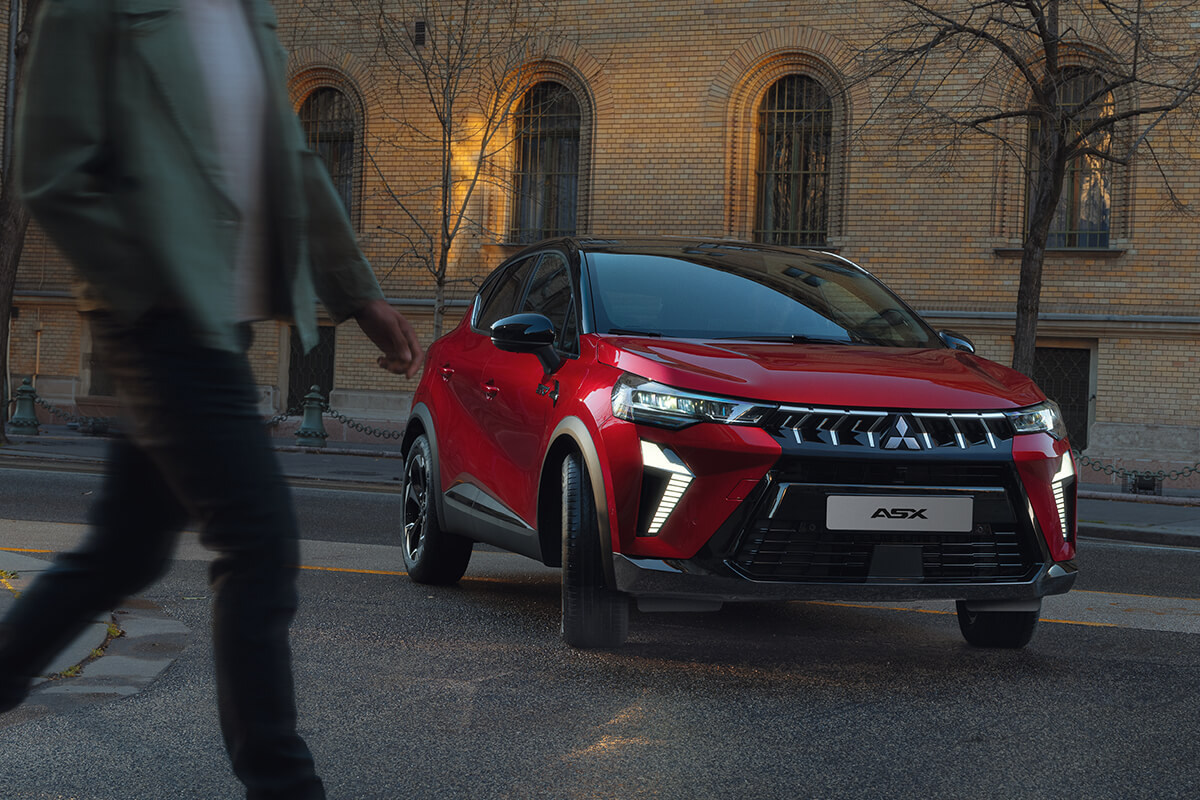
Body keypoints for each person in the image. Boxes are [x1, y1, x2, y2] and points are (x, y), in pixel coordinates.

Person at [0, 1, 423, 797]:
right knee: (260, 545)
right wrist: (151, 288)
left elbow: (289, 160)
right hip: (161, 318)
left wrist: (358, 293)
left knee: (124, 554)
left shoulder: (245, 12)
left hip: (221, 323)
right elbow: (53, 170)